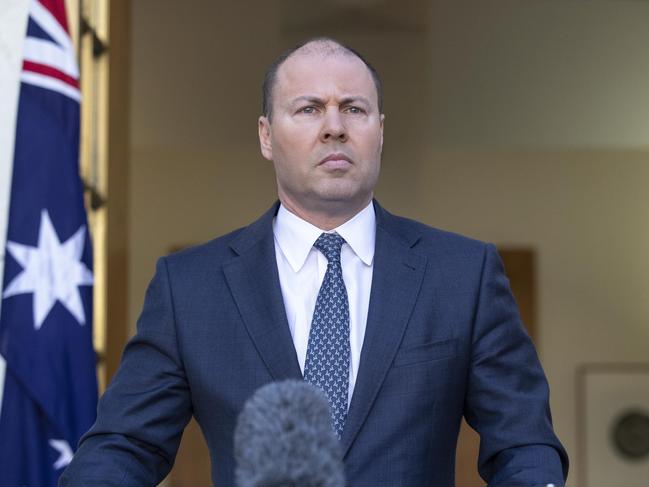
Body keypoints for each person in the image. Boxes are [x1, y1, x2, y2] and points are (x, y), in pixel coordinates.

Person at [61, 38, 568, 486]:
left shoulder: (464, 275)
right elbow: (125, 448)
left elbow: (523, 444)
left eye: (354, 109)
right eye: (308, 109)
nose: (334, 128)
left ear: (381, 130)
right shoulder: (189, 288)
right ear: (265, 135)